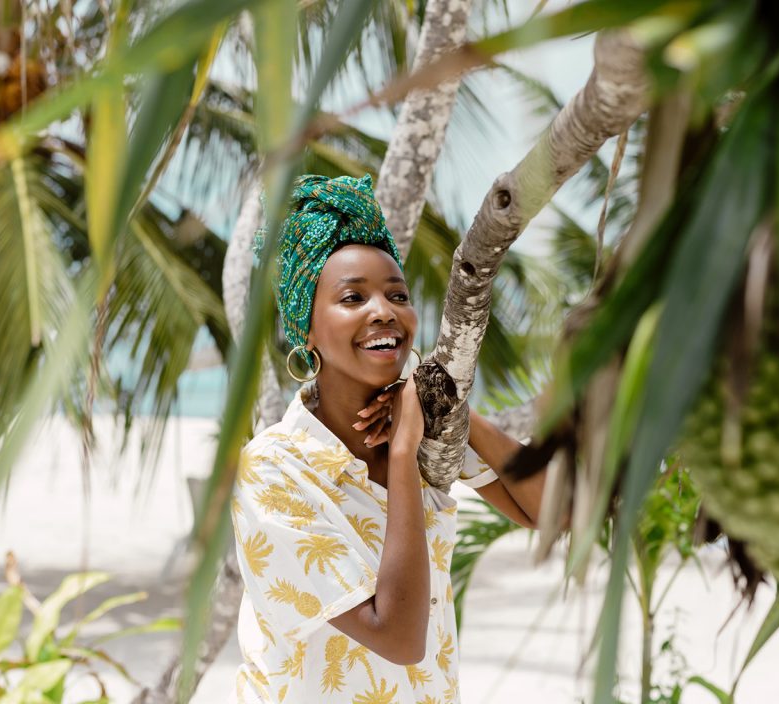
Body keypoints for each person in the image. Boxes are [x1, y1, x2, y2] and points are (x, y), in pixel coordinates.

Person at [230, 174, 547, 704]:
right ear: (307, 329)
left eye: (398, 294)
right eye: (352, 297)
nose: (384, 311)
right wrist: (402, 453)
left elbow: (552, 510)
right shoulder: (274, 469)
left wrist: (451, 410)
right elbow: (398, 637)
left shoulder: (421, 424)